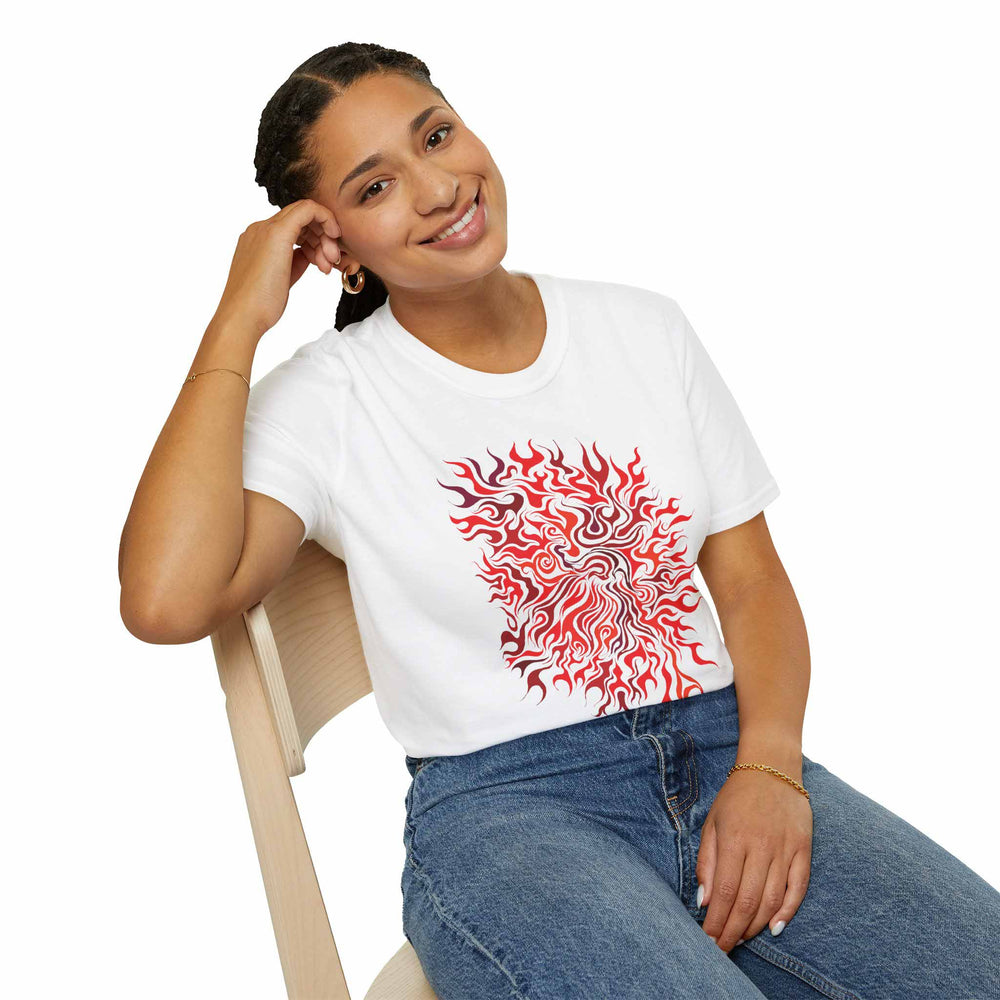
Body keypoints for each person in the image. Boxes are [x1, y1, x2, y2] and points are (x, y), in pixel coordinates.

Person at [118, 41, 1000, 999]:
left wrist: (772, 768)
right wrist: (237, 318)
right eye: (375, 188)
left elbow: (749, 581)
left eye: (438, 136)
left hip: (726, 747)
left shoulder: (645, 328)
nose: (438, 187)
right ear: (334, 248)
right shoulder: (327, 401)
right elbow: (166, 601)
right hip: (508, 812)